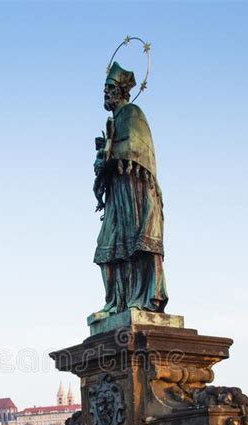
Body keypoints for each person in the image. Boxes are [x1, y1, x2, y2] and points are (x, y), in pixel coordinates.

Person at [93, 62, 168, 314]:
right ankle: (117, 302)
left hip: (136, 192)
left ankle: (142, 298)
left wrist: (110, 152)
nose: (106, 93)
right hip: (118, 194)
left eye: (110, 88)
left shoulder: (133, 113)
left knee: (137, 243)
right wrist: (101, 159)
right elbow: (108, 161)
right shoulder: (113, 122)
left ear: (122, 91)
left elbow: (138, 149)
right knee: (108, 245)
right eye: (104, 88)